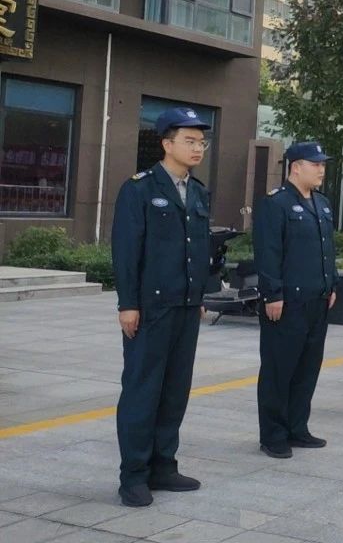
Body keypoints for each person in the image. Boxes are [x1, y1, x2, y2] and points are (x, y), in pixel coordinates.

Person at [111, 107, 213, 507]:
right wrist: (128, 304)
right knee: (142, 390)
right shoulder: (138, 189)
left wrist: (199, 296)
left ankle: (163, 466)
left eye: (201, 142)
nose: (197, 148)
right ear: (167, 143)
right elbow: (126, 251)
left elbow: (199, 250)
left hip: (186, 306)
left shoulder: (198, 191)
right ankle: (133, 475)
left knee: (174, 390)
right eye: (189, 141)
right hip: (150, 308)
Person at [253, 141, 339, 458]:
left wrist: (332, 284)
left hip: (318, 299)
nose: (321, 170)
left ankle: (297, 427)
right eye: (315, 164)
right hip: (288, 303)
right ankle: (273, 434)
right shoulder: (276, 203)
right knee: (279, 369)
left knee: (307, 368)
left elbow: (327, 250)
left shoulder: (322, 203)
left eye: (323, 164)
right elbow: (268, 252)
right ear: (296, 167)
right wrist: (273, 293)